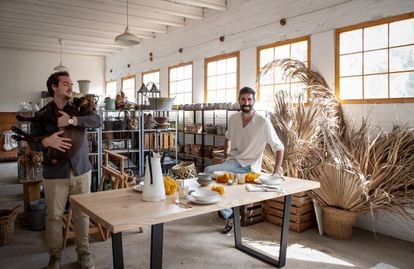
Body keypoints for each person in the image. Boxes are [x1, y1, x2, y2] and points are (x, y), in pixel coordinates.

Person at [29, 71, 101, 269]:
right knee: (53, 216)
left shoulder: (79, 109)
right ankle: (55, 256)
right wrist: (46, 141)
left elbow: (97, 121)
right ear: (54, 87)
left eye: (70, 83)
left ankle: (83, 253)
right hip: (54, 174)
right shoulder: (42, 115)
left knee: (82, 214)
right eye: (65, 84)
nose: (70, 87)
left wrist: (72, 121)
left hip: (81, 170)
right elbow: (32, 144)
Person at [204, 86, 284, 233]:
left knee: (208, 171)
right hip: (233, 163)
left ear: (254, 101)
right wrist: (225, 157)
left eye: (249, 99)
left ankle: (229, 215)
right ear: (238, 100)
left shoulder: (263, 122)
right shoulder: (233, 119)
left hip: (250, 166)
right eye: (243, 99)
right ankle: (229, 213)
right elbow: (227, 137)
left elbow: (279, 147)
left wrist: (276, 172)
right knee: (213, 178)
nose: (246, 102)